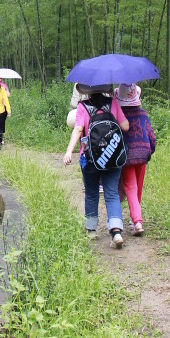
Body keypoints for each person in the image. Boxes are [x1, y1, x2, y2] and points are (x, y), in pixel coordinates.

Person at [63, 84, 129, 248]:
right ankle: (116, 232)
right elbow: (125, 126)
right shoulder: (113, 103)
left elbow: (78, 130)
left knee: (92, 193)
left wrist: (69, 151)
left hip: (90, 158)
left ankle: (91, 230)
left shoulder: (83, 106)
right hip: (113, 156)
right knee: (112, 193)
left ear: (86, 91)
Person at [116, 84, 156, 235]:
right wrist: (150, 151)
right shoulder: (143, 113)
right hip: (143, 154)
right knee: (138, 187)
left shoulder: (119, 115)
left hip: (127, 156)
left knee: (130, 187)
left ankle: (137, 221)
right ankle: (136, 219)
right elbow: (151, 136)